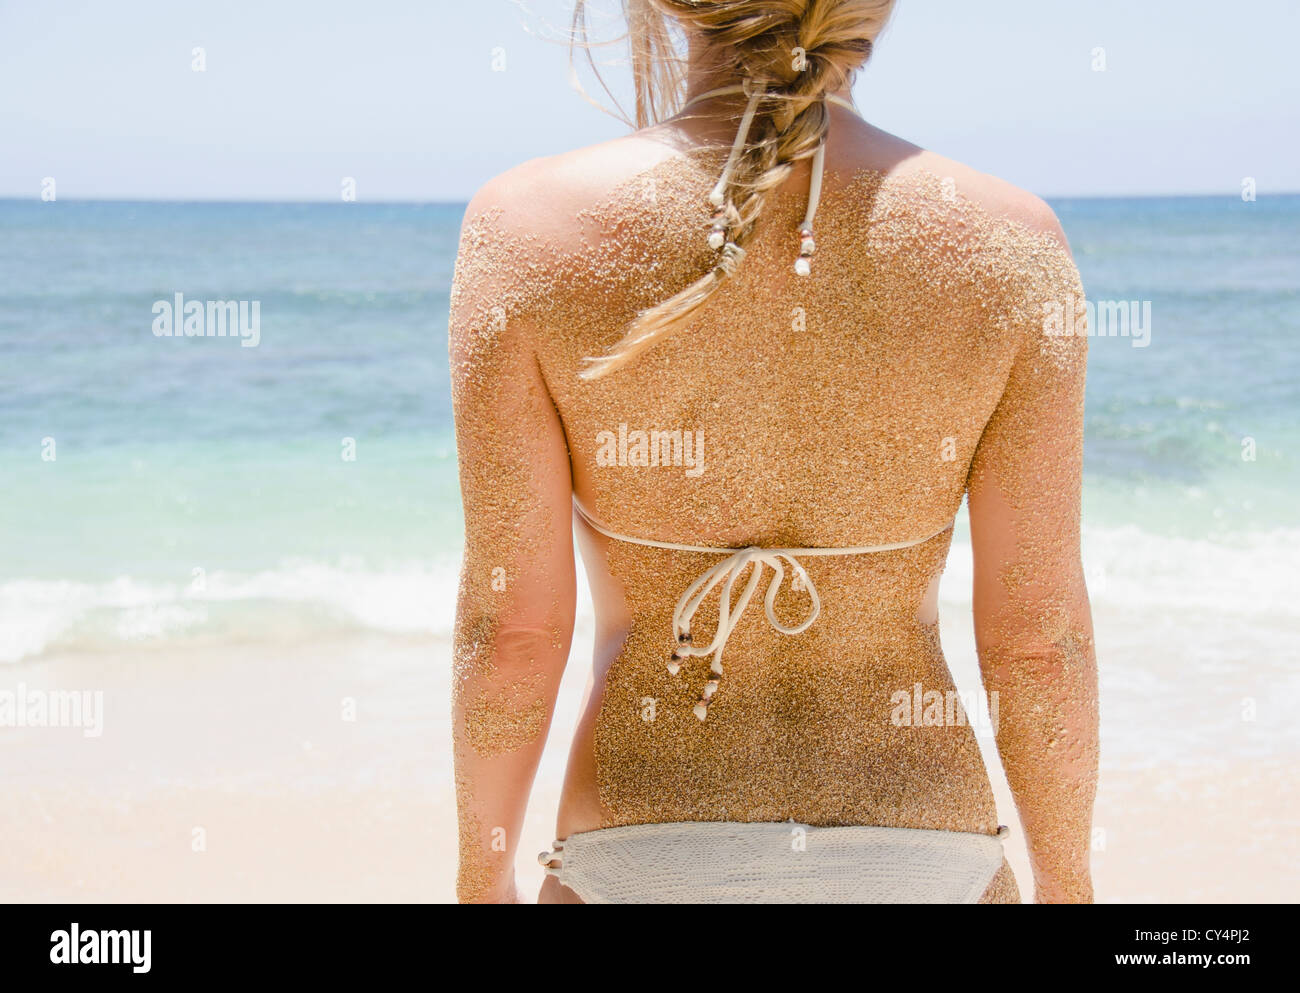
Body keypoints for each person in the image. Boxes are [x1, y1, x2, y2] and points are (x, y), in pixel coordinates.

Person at [450, 0, 1098, 904]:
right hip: (922, 845)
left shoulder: (525, 229)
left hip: (643, 846)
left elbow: (512, 632)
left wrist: (481, 879)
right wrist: (1071, 890)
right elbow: (1037, 642)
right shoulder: (1011, 244)